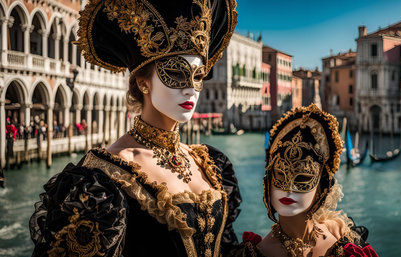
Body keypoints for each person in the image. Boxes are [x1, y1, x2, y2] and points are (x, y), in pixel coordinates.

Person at [29, 0, 240, 257]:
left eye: (198, 76)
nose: (190, 88)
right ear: (143, 83)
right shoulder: (105, 176)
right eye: (175, 72)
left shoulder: (209, 162)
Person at [230, 104, 378, 257]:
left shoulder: (341, 233)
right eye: (280, 175)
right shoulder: (258, 253)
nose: (288, 188)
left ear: (322, 187)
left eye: (303, 177)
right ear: (268, 181)